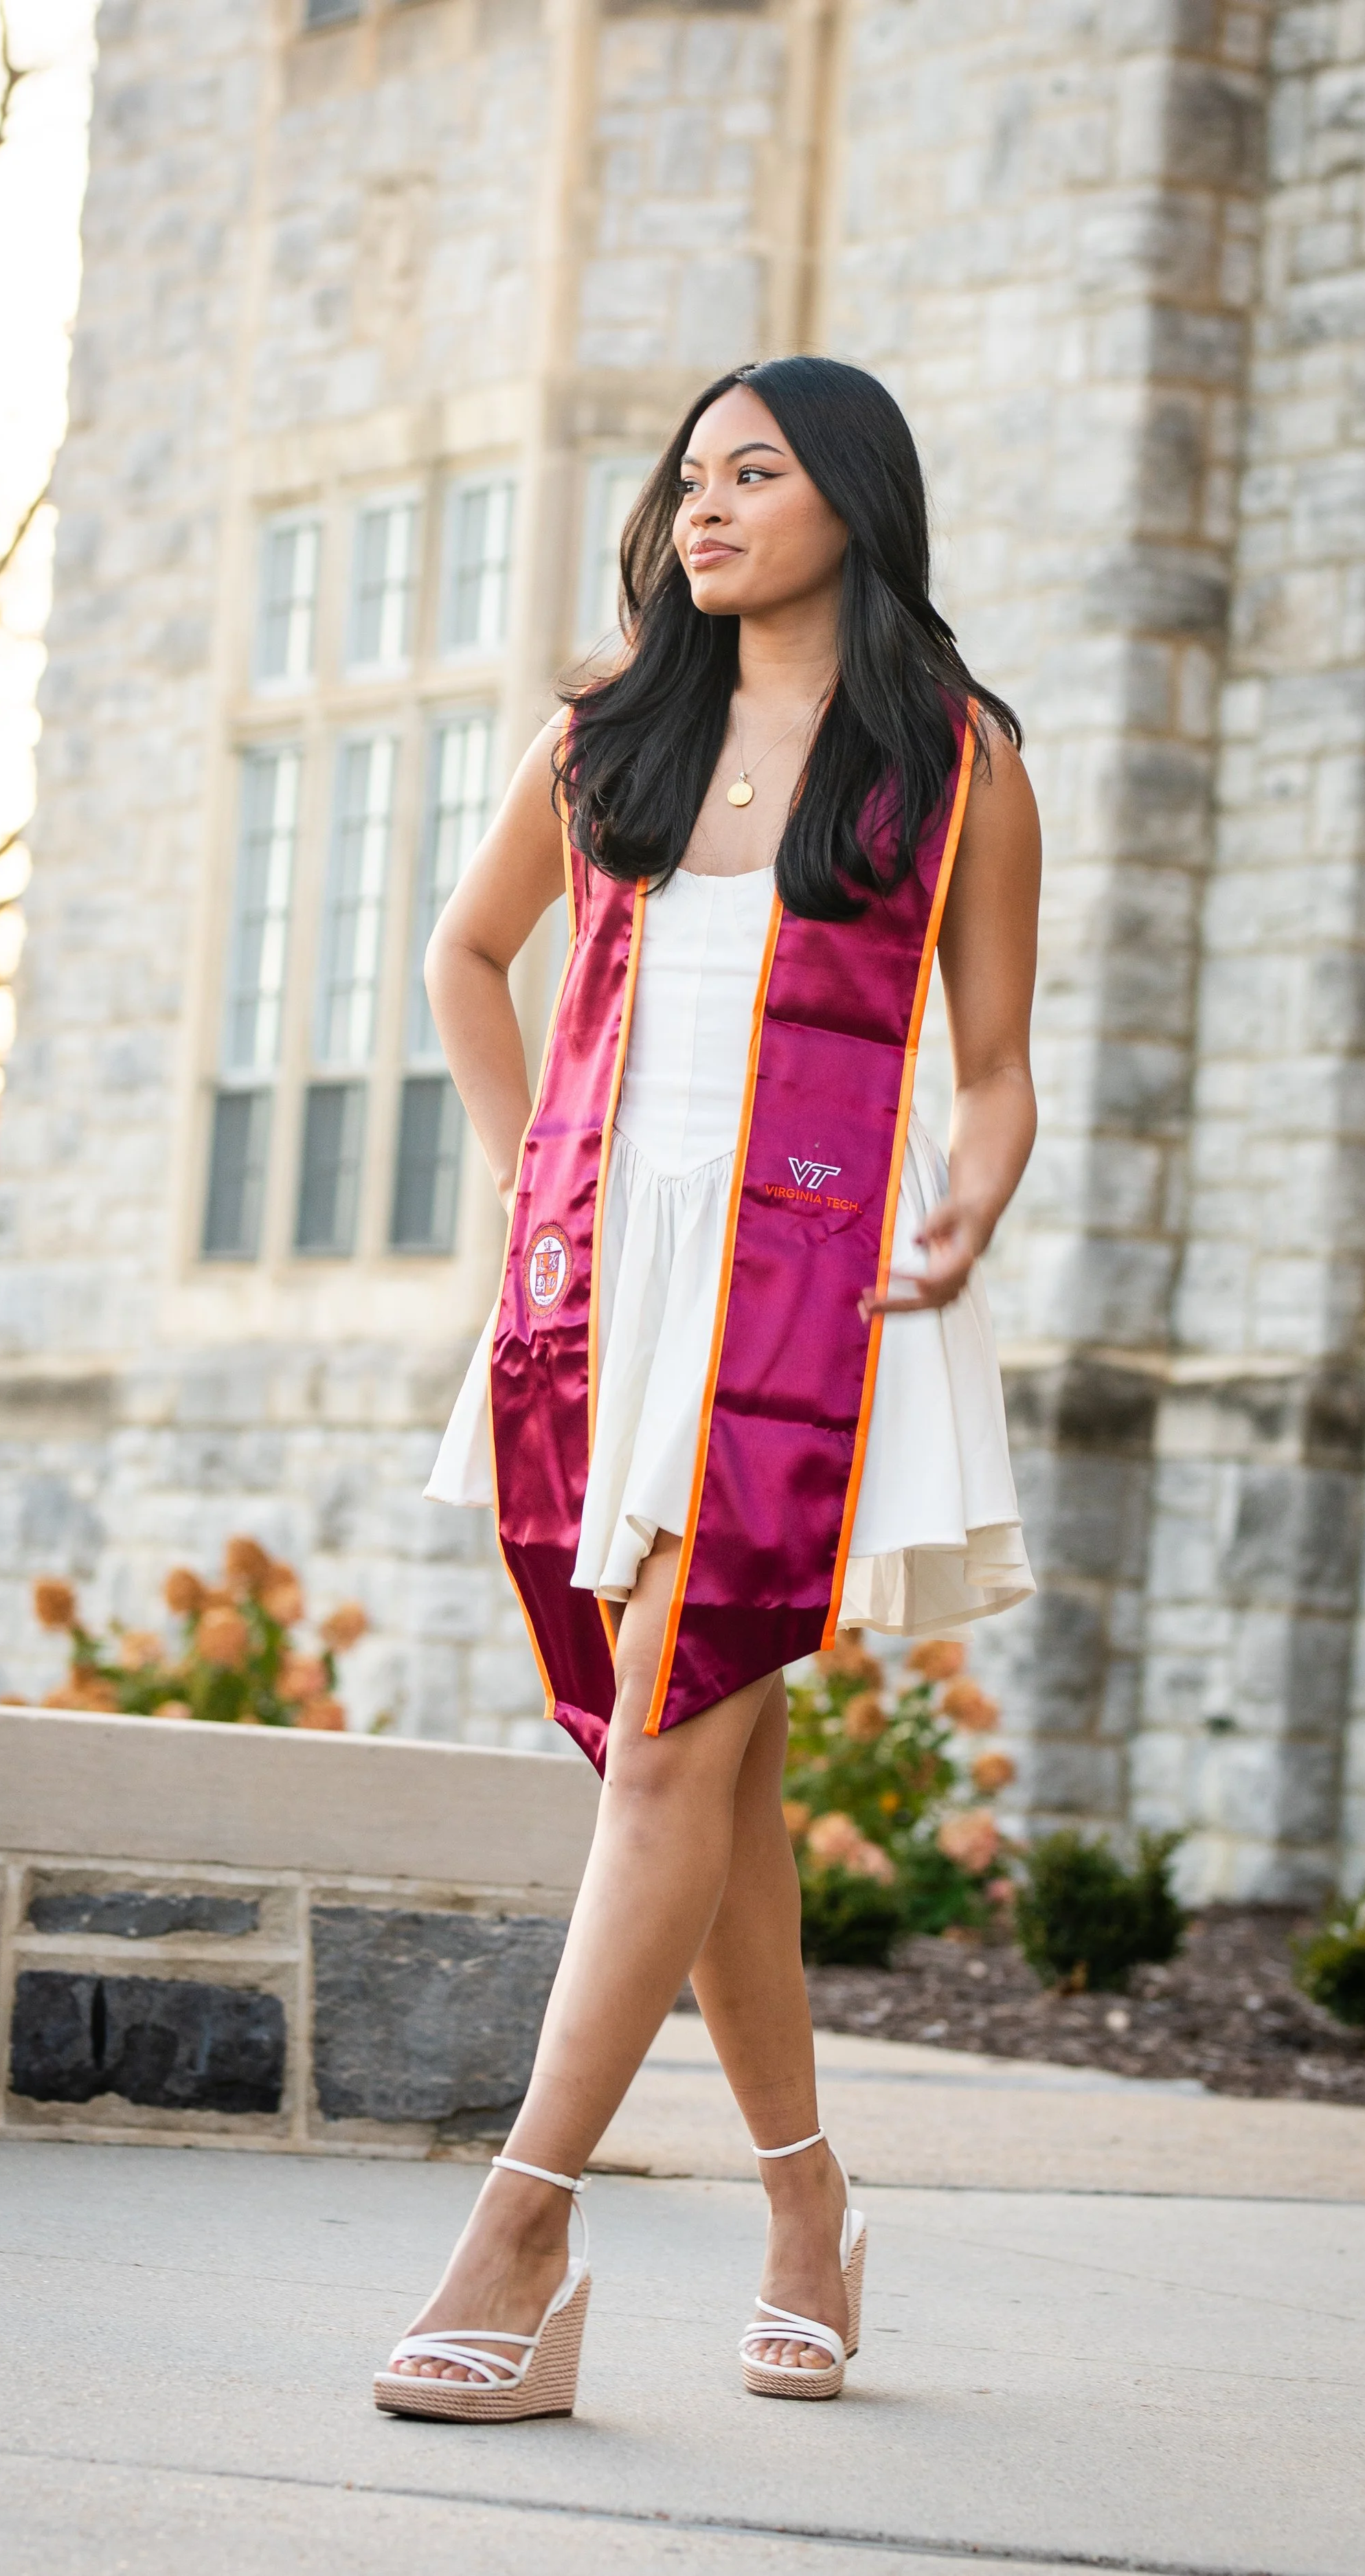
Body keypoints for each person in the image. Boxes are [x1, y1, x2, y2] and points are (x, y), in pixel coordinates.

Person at [374, 355, 1041, 2420]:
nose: (707, 508)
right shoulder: (608, 736)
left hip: (814, 1298)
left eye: (753, 472)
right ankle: (806, 2209)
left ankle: (521, 2232)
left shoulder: (951, 762)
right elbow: (460, 960)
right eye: (688, 482)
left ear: (855, 493)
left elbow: (997, 1065)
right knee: (699, 1762)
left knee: (666, 1749)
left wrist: (974, 1209)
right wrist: (519, 1186)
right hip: (607, 1276)